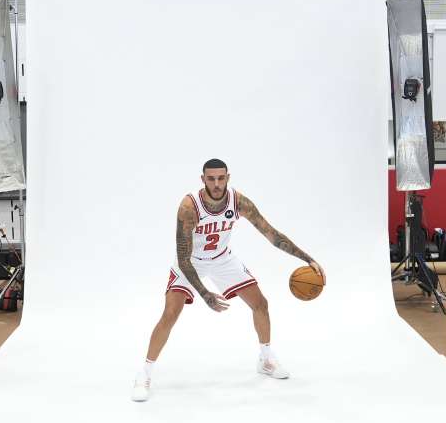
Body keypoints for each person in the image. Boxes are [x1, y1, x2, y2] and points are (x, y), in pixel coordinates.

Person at [132, 158, 324, 402]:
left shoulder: (238, 201)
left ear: (228, 178)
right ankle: (145, 372)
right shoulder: (189, 207)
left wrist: (307, 259)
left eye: (220, 178)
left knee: (261, 304)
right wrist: (205, 294)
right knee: (170, 314)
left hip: (223, 259)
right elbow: (183, 258)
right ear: (203, 179)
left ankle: (265, 359)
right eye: (211, 178)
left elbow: (272, 234)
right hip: (191, 262)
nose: (216, 183)